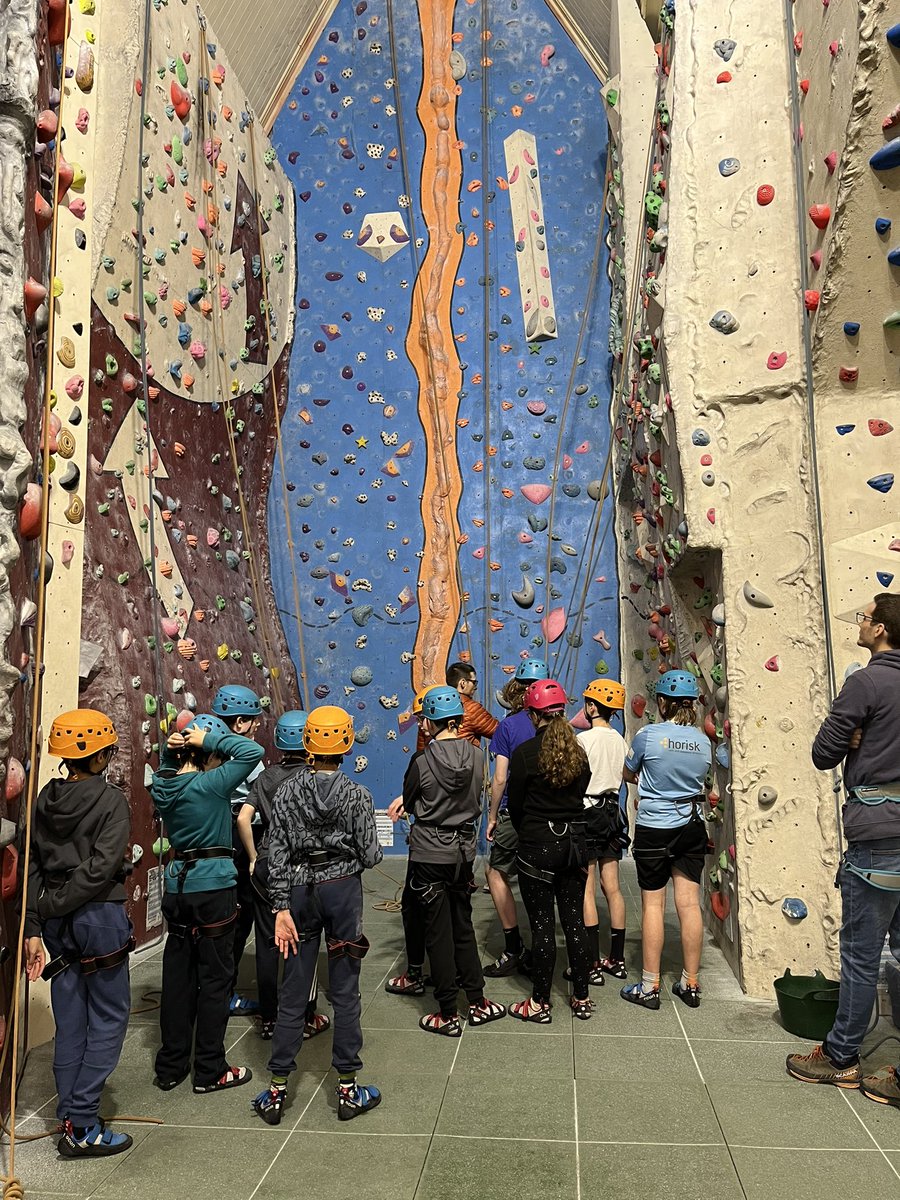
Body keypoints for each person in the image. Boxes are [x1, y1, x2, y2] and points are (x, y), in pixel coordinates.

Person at [787, 594, 900, 1107]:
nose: (860, 621)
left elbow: (821, 752)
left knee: (859, 956)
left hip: (877, 834)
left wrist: (856, 738)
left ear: (879, 631)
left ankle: (841, 1059)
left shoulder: (867, 682)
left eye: (865, 616)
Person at [252, 706, 383, 1125]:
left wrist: (279, 907)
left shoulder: (288, 793)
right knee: (345, 990)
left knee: (293, 991)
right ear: (346, 744)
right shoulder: (358, 796)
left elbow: (277, 852)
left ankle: (276, 1093)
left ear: (308, 744)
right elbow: (371, 854)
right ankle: (347, 1088)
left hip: (297, 891)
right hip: (341, 891)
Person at [23, 709, 134, 1158]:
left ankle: (69, 1115)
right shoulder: (111, 802)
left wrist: (35, 921)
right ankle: (84, 1122)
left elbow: (32, 864)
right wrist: (52, 906)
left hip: (55, 922)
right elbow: (100, 869)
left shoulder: (44, 799)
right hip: (98, 915)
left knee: (70, 1022)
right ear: (100, 754)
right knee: (108, 1018)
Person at [151, 713, 263, 1093]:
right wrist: (210, 741)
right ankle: (210, 1068)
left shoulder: (163, 787)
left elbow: (167, 770)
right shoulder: (213, 785)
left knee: (178, 977)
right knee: (216, 980)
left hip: (178, 887)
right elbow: (252, 751)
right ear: (206, 753)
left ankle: (170, 1065)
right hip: (213, 888)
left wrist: (172, 752)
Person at [402, 686, 506, 1036]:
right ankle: (476, 1000)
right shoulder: (478, 756)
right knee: (462, 925)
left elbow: (410, 797)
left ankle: (447, 1010)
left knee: (438, 932)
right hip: (463, 854)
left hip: (430, 852)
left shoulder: (421, 760)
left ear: (431, 722)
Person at [620, 670, 711, 1010]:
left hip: (655, 826)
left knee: (654, 904)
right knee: (688, 904)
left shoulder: (648, 735)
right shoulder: (702, 740)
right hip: (692, 825)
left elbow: (628, 773)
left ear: (661, 702)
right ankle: (689, 983)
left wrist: (648, 783)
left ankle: (649, 985)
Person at [236, 709, 328, 1041]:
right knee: (303, 941)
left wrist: (253, 856)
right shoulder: (317, 778)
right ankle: (303, 1016)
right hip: (301, 868)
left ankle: (270, 1018)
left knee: (266, 943)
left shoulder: (266, 777)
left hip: (266, 866)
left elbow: (244, 819)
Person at [507, 679, 593, 1023]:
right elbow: (582, 789)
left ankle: (540, 1003)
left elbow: (515, 805)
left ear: (532, 715)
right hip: (574, 844)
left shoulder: (525, 753)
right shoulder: (579, 752)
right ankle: (582, 997)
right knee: (573, 921)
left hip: (537, 845)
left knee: (542, 925)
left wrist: (529, 829)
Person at [482, 658, 548, 977]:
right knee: (540, 879)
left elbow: (499, 778)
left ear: (517, 688)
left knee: (496, 872)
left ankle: (513, 948)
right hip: (550, 818)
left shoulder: (508, 726)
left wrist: (492, 815)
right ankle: (543, 949)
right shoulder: (559, 725)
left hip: (516, 812)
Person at [210, 684, 265, 1016]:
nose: (257, 726)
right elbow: (254, 809)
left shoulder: (207, 750)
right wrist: (256, 856)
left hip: (213, 833)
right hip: (241, 836)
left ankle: (210, 988)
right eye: (254, 720)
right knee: (240, 914)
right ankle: (225, 993)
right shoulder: (248, 756)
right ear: (241, 722)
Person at [575, 679, 629, 984]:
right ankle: (617, 959)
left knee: (587, 887)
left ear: (592, 706)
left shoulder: (583, 741)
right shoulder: (619, 739)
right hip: (612, 812)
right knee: (614, 887)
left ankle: (593, 962)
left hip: (587, 812)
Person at [385, 685, 432, 995]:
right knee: (455, 909)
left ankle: (415, 971)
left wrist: (408, 799)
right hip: (460, 847)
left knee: (414, 906)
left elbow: (415, 800)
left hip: (427, 843)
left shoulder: (421, 758)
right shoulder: (472, 754)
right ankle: (453, 972)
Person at [447, 661, 498, 747]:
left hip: (436, 759)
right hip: (464, 759)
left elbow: (422, 744)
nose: (475, 687)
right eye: (474, 682)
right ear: (463, 683)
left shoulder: (433, 704)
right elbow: (500, 732)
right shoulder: (472, 709)